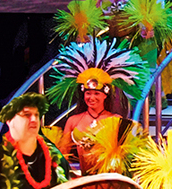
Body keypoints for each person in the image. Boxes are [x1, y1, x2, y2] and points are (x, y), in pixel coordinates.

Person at [48, 38, 144, 172]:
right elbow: (64, 154)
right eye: (88, 93)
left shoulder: (115, 120)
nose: (91, 98)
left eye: (96, 94)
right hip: (84, 178)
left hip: (108, 181)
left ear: (105, 95)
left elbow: (125, 156)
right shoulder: (73, 121)